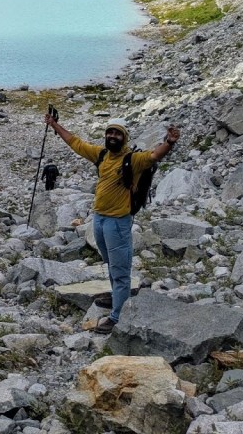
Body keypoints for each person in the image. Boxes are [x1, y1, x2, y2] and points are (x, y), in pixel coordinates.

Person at [44, 111, 180, 334]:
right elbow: (75, 143)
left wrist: (169, 142)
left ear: (124, 137)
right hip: (99, 219)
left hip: (118, 222)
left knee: (120, 268)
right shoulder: (101, 155)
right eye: (110, 132)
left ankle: (117, 316)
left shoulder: (132, 160)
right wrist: (54, 125)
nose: (113, 136)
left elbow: (154, 156)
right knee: (110, 262)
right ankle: (119, 296)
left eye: (117, 133)